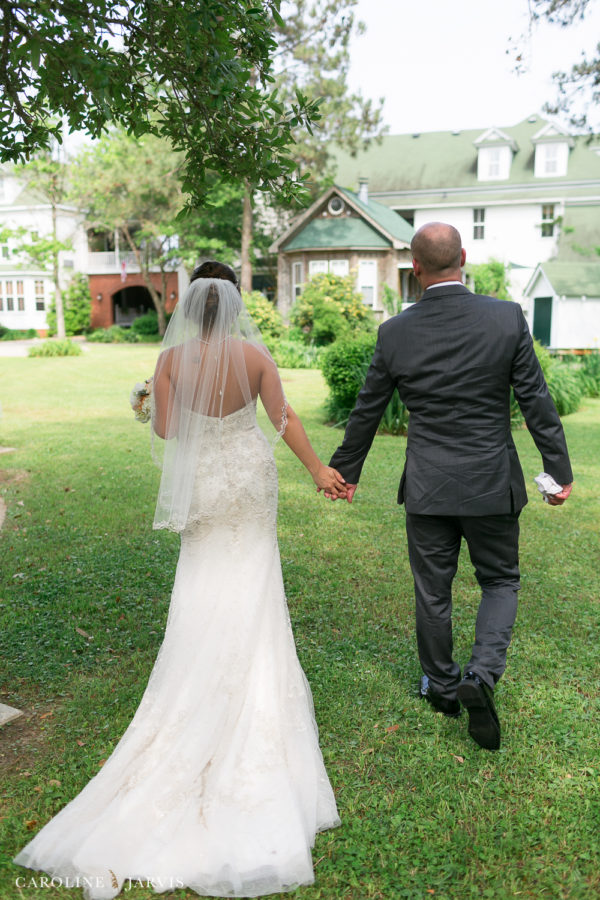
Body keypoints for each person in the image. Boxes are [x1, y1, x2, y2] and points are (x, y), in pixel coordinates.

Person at [14, 261, 345, 899]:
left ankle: (193, 686)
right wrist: (317, 471)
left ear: (192, 305)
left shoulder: (170, 364)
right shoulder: (254, 355)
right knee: (253, 577)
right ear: (235, 303)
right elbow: (282, 420)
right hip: (249, 482)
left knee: (202, 581)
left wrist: (150, 399)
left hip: (204, 484)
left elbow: (167, 429)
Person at [326, 223, 572, 752]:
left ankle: (441, 687)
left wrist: (346, 472)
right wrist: (559, 472)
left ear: (414, 268)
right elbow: (536, 402)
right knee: (500, 580)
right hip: (490, 480)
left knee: (433, 588)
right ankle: (481, 677)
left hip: (429, 484)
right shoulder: (506, 317)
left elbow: (367, 410)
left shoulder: (395, 333)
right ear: (462, 257)